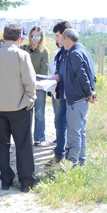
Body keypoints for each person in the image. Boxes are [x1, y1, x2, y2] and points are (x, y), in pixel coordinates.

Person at [0, 24, 37, 192]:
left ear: (3, 37)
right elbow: (30, 82)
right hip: (19, 106)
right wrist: (30, 99)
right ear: (20, 39)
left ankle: (6, 180)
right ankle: (26, 182)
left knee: (2, 145)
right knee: (23, 145)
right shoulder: (22, 55)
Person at [56, 28, 96, 166]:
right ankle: (81, 162)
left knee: (74, 134)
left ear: (67, 39)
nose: (61, 43)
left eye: (62, 40)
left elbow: (83, 76)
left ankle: (73, 164)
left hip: (77, 99)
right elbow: (92, 74)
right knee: (81, 132)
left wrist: (89, 93)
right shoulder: (83, 50)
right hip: (81, 98)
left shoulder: (74, 53)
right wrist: (90, 93)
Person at [21, 26, 50, 146]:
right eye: (32, 36)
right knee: (25, 113)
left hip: (38, 86)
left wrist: (35, 81)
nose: (34, 39)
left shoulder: (44, 51)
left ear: (41, 38)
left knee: (39, 113)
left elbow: (44, 71)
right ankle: (24, 138)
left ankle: (39, 138)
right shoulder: (23, 49)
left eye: (37, 37)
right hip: (24, 86)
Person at [50, 21, 72, 163]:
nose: (57, 39)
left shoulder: (73, 53)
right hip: (59, 92)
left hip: (69, 95)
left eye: (58, 35)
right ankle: (60, 154)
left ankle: (65, 156)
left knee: (66, 124)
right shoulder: (59, 52)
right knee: (60, 123)